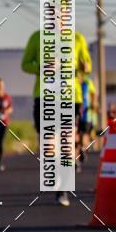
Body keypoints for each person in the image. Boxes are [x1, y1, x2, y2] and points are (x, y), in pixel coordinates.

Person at [21, 28, 92, 206]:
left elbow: (88, 66)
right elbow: (25, 64)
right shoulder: (37, 37)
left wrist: (85, 67)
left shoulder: (77, 38)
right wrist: (41, 67)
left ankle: (63, 190)